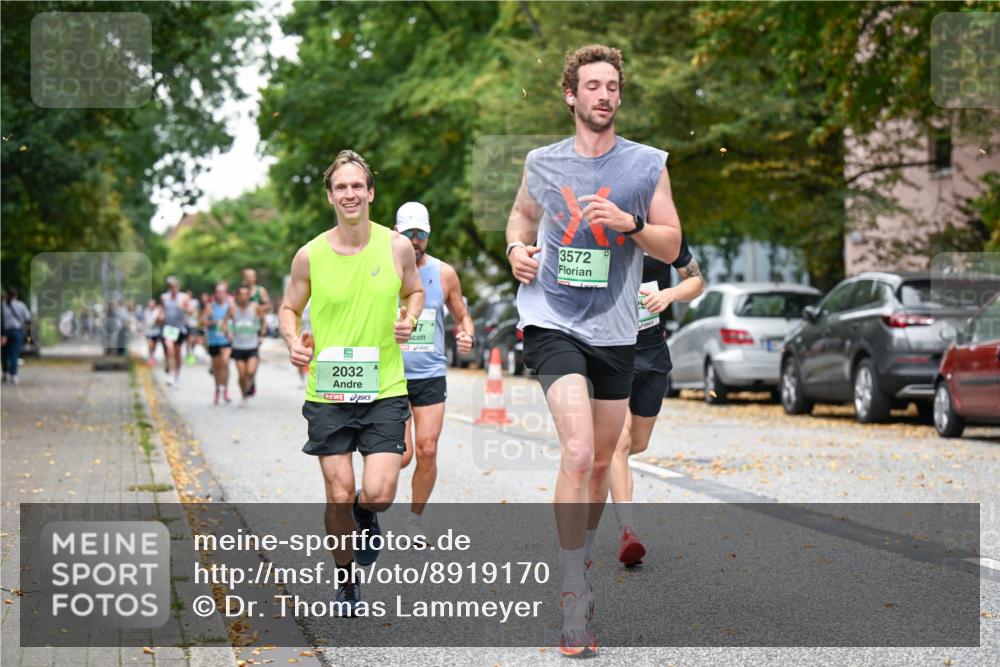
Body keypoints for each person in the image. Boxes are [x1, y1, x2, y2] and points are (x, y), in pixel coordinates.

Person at [505, 44, 683, 657]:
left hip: (616, 330)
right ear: (571, 95)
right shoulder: (542, 164)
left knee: (604, 458)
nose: (604, 95)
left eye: (613, 86)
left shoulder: (646, 166)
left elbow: (671, 241)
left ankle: (576, 551)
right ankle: (573, 590)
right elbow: (520, 220)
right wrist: (516, 251)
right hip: (552, 319)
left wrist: (630, 224)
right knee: (577, 450)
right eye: (593, 85)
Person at [279, 149, 424, 615]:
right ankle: (345, 582)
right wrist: (292, 342)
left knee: (377, 493)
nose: (349, 193)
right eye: (341, 187)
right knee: (337, 493)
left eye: (357, 185)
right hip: (328, 392)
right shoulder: (311, 255)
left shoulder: (397, 247)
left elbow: (415, 290)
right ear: (330, 196)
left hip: (383, 387)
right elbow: (289, 308)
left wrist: (411, 317)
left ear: (371, 193)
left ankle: (366, 514)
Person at [609, 241, 703, 566]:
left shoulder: (664, 232)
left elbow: (696, 280)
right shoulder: (602, 227)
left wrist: (670, 295)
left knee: (638, 442)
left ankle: (599, 460)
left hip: (651, 350)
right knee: (618, 443)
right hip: (611, 349)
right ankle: (628, 530)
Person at [395, 201, 475, 538]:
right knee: (401, 456)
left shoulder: (444, 273)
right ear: (396, 233)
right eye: (409, 233)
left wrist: (467, 333)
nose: (415, 240)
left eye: (421, 234)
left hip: (429, 374)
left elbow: (462, 315)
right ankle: (368, 498)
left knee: (427, 448)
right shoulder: (381, 269)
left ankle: (414, 520)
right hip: (391, 375)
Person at [228, 285, 266, 408]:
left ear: (249, 296)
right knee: (241, 374)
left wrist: (262, 335)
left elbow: (263, 320)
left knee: (250, 371)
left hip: (252, 345)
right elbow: (226, 323)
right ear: (237, 296)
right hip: (238, 346)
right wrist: (228, 332)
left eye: (246, 294)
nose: (244, 297)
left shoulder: (255, 307)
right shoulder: (233, 309)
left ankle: (250, 383)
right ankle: (244, 395)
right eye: (241, 295)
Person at [203, 282, 233, 405]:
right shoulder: (210, 307)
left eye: (222, 292)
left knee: (225, 363)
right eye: (217, 292)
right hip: (214, 340)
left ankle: (225, 390)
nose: (219, 294)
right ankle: (217, 390)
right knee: (216, 367)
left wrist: (231, 331)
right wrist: (213, 322)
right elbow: (202, 322)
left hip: (226, 340)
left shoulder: (230, 307)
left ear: (226, 294)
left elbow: (235, 321)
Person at [241, 269, 270, 396]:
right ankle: (246, 378)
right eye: (246, 276)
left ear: (255, 277)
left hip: (256, 326)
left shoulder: (260, 291)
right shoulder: (241, 291)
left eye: (251, 276)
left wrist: (256, 309)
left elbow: (268, 306)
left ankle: (251, 379)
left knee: (254, 354)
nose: (249, 279)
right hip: (242, 328)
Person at [160, 276, 191, 387]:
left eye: (175, 286)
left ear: (178, 287)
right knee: (169, 349)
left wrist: (184, 308)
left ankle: (177, 374)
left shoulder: (184, 297)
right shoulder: (164, 297)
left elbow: (191, 311)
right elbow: (162, 311)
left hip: (180, 328)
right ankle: (171, 374)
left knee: (177, 352)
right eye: (171, 286)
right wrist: (160, 317)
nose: (173, 288)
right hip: (168, 328)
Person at [1, 287, 32, 384]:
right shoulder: (20, 305)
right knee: (14, 354)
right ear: (16, 295)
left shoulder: (2, 306)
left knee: (4, 354)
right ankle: (14, 375)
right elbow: (28, 318)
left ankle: (5, 374)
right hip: (17, 331)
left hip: (4, 332)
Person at [142, 298, 164, 366]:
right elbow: (144, 321)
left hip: (156, 331)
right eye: (150, 304)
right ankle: (150, 357)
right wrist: (143, 330)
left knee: (154, 346)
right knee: (150, 344)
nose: (151, 305)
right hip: (148, 331)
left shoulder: (157, 311)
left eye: (152, 304)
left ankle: (153, 355)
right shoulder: (146, 311)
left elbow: (161, 320)